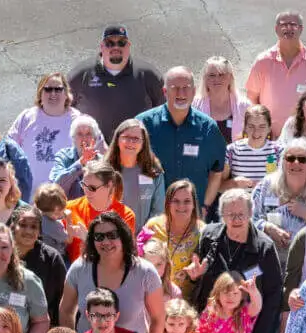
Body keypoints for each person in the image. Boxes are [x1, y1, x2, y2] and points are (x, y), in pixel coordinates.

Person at [188, 189, 283, 333]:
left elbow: (274, 294)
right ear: (222, 215)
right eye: (231, 214)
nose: (236, 220)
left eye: (241, 214)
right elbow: (197, 274)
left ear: (251, 214)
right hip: (211, 331)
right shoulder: (209, 236)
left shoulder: (264, 247)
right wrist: (195, 276)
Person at [60, 213, 165, 333]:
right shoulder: (79, 268)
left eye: (112, 235)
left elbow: (158, 319)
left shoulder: (145, 272)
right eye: (99, 237)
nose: (106, 241)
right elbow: (66, 310)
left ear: (123, 236)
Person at [137, 66, 228, 216]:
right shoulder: (143, 124)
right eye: (175, 88)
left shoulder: (208, 128)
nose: (181, 93)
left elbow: (216, 172)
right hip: (153, 215)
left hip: (192, 215)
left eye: (186, 88)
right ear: (165, 92)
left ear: (194, 91)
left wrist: (204, 205)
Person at [67, 24, 164, 144]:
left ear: (128, 46)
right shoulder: (80, 75)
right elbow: (65, 113)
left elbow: (162, 113)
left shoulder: (149, 75)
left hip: (136, 152)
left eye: (121, 43)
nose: (116, 47)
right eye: (109, 43)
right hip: (92, 153)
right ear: (101, 47)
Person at [245, 10, 306, 133]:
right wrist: (259, 128)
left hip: (302, 136)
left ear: (301, 29)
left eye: (293, 25)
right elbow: (252, 97)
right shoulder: (263, 61)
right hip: (269, 136)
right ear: (276, 29)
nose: (289, 28)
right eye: (284, 25)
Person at [8, 73, 85, 195]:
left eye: (58, 89)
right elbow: (8, 149)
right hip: (27, 197)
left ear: (66, 94)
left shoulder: (78, 120)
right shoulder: (27, 117)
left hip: (65, 199)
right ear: (40, 94)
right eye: (48, 89)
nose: (53, 93)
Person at [250, 138, 306, 258]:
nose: (296, 162)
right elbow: (248, 219)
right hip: (267, 257)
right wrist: (267, 227)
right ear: (283, 163)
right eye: (290, 158)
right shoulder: (266, 186)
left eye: (302, 159)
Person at [137, 179, 205, 299]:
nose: (181, 206)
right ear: (168, 203)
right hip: (153, 297)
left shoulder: (203, 232)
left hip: (184, 304)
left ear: (194, 204)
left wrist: (197, 275)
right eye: (176, 201)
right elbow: (137, 258)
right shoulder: (153, 226)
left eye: (187, 201)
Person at [63, 159, 138, 261]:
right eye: (84, 185)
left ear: (109, 185)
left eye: (92, 188)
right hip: (76, 274)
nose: (86, 191)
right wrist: (66, 238)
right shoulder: (69, 208)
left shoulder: (125, 215)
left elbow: (120, 257)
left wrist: (87, 239)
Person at [9, 205, 67, 325]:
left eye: (34, 226)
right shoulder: (2, 253)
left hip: (41, 326)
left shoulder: (52, 258)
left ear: (40, 231)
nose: (29, 231)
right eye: (23, 225)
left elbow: (62, 301)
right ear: (12, 227)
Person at [104, 118, 166, 225]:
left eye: (136, 139)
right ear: (117, 139)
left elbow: (158, 212)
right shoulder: (103, 171)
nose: (131, 142)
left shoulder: (153, 172)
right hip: (110, 238)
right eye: (126, 137)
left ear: (143, 144)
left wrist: (142, 239)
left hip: (144, 239)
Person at [198, 272, 263, 333]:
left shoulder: (244, 312)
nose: (230, 297)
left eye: (235, 293)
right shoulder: (210, 313)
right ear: (218, 294)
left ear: (242, 295)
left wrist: (254, 292)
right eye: (226, 292)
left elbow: (257, 307)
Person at [222, 105, 284, 193]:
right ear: (245, 128)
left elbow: (287, 187)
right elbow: (219, 186)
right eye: (251, 126)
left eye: (262, 126)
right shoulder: (231, 151)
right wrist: (234, 184)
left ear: (269, 128)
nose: (256, 132)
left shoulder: (279, 151)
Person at [48, 115, 108, 200]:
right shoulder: (63, 156)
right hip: (67, 210)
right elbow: (56, 187)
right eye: (79, 134)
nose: (84, 139)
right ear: (73, 138)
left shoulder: (103, 162)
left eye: (88, 134)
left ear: (94, 139)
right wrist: (80, 163)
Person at [193, 56, 249, 144]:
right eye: (212, 75)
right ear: (205, 79)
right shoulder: (194, 106)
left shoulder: (245, 106)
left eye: (221, 74)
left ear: (230, 77)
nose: (217, 79)